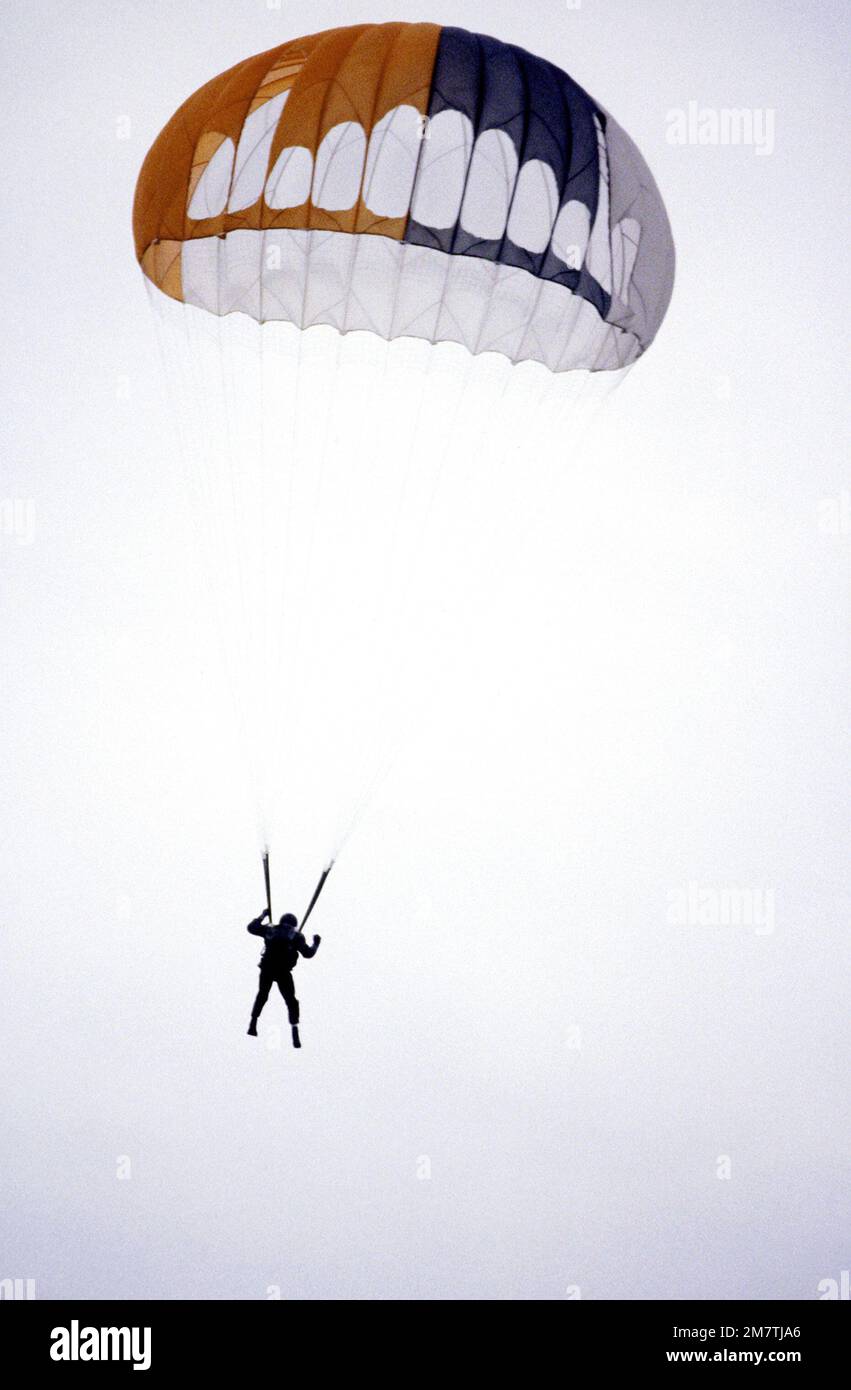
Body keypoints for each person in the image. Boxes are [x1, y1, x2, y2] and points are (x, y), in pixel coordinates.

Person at [246, 908, 320, 1048]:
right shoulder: (296, 936)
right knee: (291, 1001)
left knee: (262, 995)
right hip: (283, 972)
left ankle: (253, 1023)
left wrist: (263, 915)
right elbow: (308, 953)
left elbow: (251, 928)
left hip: (267, 968)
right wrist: (316, 943)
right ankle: (294, 1029)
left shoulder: (271, 929)